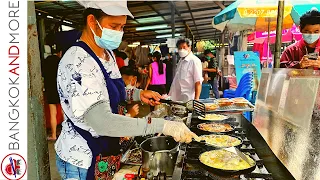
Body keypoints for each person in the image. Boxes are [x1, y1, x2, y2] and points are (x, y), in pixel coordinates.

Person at [55, 2, 197, 180]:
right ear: (92, 21)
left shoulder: (107, 53)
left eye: (122, 26)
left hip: (107, 150)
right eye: (114, 26)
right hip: (83, 160)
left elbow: (111, 91)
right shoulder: (78, 62)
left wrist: (137, 94)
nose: (118, 32)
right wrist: (162, 125)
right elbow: (103, 122)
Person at [43, 46, 62, 141]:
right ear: (60, 52)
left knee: (52, 114)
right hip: (60, 89)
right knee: (64, 113)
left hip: (50, 89)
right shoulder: (60, 61)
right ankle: (64, 133)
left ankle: (54, 135)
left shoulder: (46, 61)